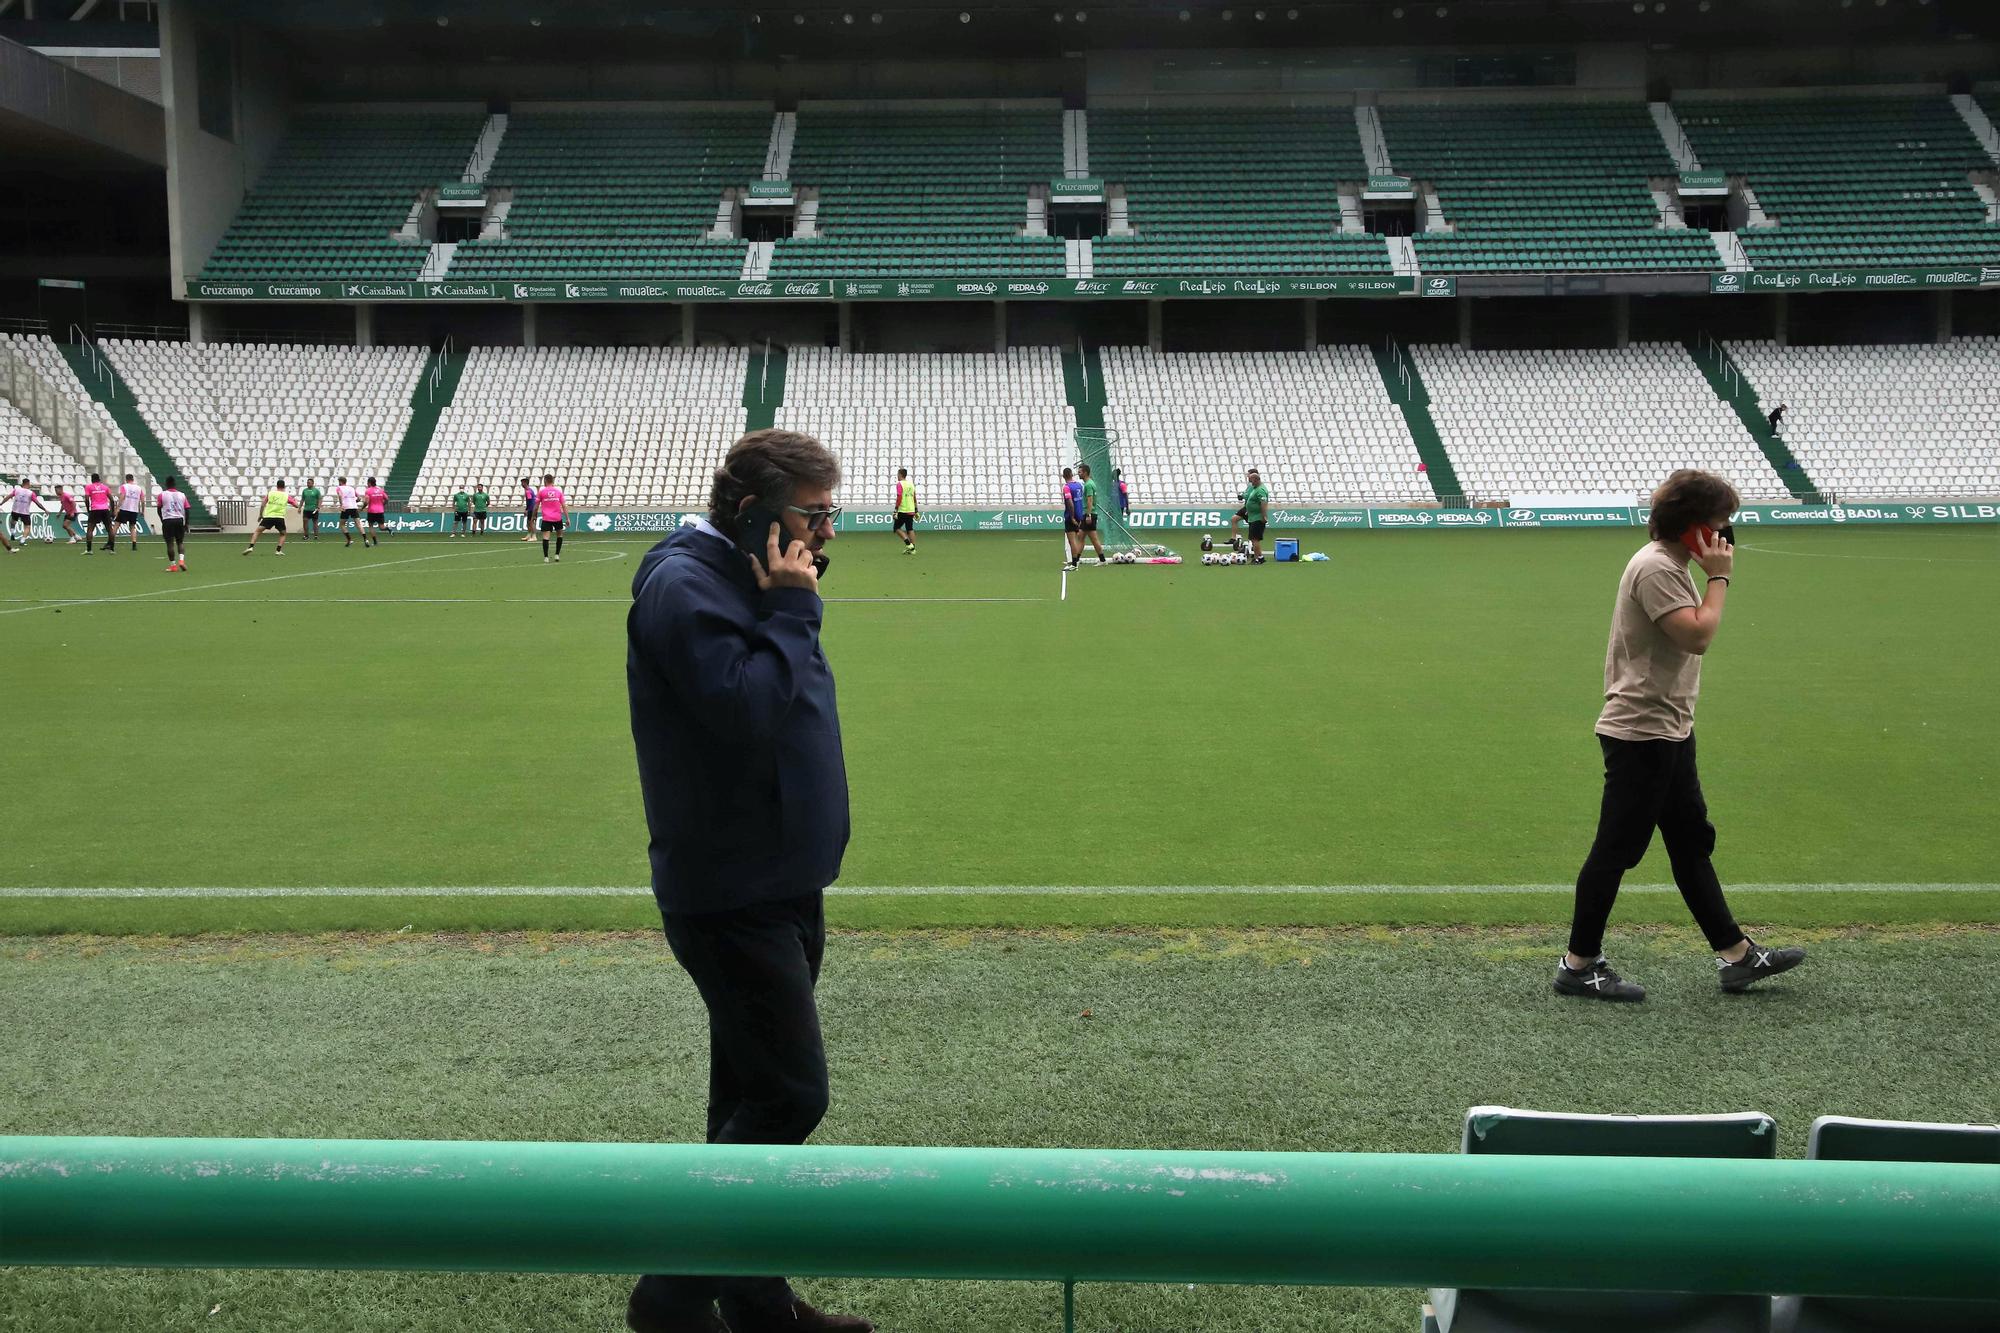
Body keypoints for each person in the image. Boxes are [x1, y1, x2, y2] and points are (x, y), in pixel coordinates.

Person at [624, 429, 869, 1333]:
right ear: (756, 511)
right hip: (732, 894)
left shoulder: (743, 574)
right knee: (788, 1094)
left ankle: (758, 1304)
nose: (827, 529)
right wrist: (796, 609)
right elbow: (747, 712)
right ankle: (672, 1295)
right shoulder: (685, 583)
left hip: (779, 880)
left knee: (742, 1096)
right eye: (815, 512)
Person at [1556, 469, 1806, 1003]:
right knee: (1616, 849)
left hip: (1669, 727)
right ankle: (1578, 965)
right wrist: (1720, 577)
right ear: (1693, 527)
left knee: (1691, 842)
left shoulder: (1671, 563)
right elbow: (1697, 636)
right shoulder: (1656, 568)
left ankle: (1737, 956)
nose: (1726, 538)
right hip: (1642, 731)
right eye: (1721, 526)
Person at [243, 480, 298, 555]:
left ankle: (250, 547)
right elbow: (296, 505)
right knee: (283, 534)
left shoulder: (271, 493)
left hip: (268, 516)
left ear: (277, 486)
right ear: (284, 486)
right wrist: (295, 501)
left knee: (258, 531)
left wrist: (260, 515)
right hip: (279, 517)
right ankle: (278, 551)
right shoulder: (286, 495)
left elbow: (263, 504)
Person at [1231, 467, 1270, 563]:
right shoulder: (1255, 488)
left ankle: (1257, 559)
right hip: (1253, 517)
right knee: (1253, 539)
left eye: (1252, 481)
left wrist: (1264, 516)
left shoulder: (1261, 490)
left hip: (1257, 518)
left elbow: (1263, 503)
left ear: (1256, 480)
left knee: (1255, 539)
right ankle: (1260, 557)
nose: (1251, 483)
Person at [156, 475, 190, 573]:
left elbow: (159, 508)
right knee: (180, 542)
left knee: (170, 543)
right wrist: (186, 523)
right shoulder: (182, 495)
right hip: (179, 520)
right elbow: (187, 509)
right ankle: (182, 561)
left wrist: (162, 519)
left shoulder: (162, 495)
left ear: (166, 484)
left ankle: (173, 566)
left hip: (168, 520)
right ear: (175, 484)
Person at [1077, 463, 1109, 565]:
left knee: (1092, 539)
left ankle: (1102, 560)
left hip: (1089, 514)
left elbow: (1090, 501)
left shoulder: (1088, 485)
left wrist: (1088, 515)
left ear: (1085, 473)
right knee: (1081, 537)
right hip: (1089, 513)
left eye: (1080, 472)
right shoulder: (1090, 483)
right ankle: (1076, 560)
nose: (1078, 473)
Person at [6, 476, 48, 546]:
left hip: (15, 510)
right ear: (28, 484)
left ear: (22, 484)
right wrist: (45, 509)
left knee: (13, 521)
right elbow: (38, 503)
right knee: (27, 526)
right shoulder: (31, 493)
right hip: (25, 512)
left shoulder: (16, 490)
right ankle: (22, 540)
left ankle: (13, 532)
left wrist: (1, 503)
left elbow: (8, 497)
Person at [536, 472, 567, 563]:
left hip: (546, 518)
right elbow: (564, 506)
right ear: (553, 481)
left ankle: (546, 557)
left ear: (545, 481)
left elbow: (536, 505)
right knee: (559, 535)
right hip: (557, 517)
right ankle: (557, 554)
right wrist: (567, 518)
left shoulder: (541, 492)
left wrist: (534, 515)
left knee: (546, 537)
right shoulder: (558, 492)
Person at [1060, 466, 1085, 570]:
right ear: (1072, 474)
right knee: (1079, 539)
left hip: (1072, 516)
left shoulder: (1067, 487)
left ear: (1063, 476)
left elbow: (1070, 502)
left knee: (1072, 541)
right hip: (1080, 514)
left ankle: (1074, 564)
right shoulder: (1079, 485)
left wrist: (1072, 516)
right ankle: (1075, 561)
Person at [83, 473, 114, 553]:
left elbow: (86, 499)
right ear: (99, 479)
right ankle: (112, 549)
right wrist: (112, 511)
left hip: (95, 509)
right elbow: (112, 500)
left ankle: (89, 550)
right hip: (105, 509)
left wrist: (88, 509)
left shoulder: (89, 487)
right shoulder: (105, 487)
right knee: (110, 529)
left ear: (92, 479)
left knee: (90, 529)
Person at [114, 473, 146, 551]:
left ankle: (111, 542)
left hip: (124, 508)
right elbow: (142, 500)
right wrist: (142, 511)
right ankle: (134, 545)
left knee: (116, 525)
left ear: (126, 479)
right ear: (133, 479)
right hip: (134, 510)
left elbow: (122, 497)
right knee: (132, 527)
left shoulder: (124, 486)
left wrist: (117, 507)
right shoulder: (139, 488)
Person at [891, 467, 918, 554]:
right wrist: (916, 510)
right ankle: (913, 549)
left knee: (896, 528)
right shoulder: (911, 484)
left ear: (900, 475)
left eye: (897, 475)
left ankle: (908, 544)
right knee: (910, 529)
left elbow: (899, 497)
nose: (897, 476)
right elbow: (914, 497)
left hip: (903, 509)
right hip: (911, 509)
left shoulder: (899, 484)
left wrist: (895, 510)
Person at [333, 477, 365, 548]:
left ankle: (349, 539)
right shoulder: (351, 488)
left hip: (346, 507)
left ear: (340, 482)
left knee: (342, 524)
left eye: (339, 481)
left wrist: (341, 505)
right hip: (354, 507)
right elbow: (359, 498)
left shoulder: (339, 488)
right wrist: (354, 501)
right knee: (359, 524)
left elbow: (340, 496)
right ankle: (366, 539)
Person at [363, 476, 388, 544]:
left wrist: (363, 507)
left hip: (371, 511)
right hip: (380, 510)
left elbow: (366, 502)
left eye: (367, 483)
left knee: (371, 526)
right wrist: (382, 504)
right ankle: (388, 528)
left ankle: (375, 542)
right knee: (381, 527)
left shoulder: (368, 491)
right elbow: (386, 498)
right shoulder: (380, 490)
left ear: (369, 483)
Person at [519, 476, 538, 542]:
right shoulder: (529, 490)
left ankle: (534, 536)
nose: (521, 484)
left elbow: (529, 501)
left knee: (531, 522)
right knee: (528, 522)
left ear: (525, 483)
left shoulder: (528, 491)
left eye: (522, 483)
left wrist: (527, 510)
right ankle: (529, 535)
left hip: (531, 508)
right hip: (532, 508)